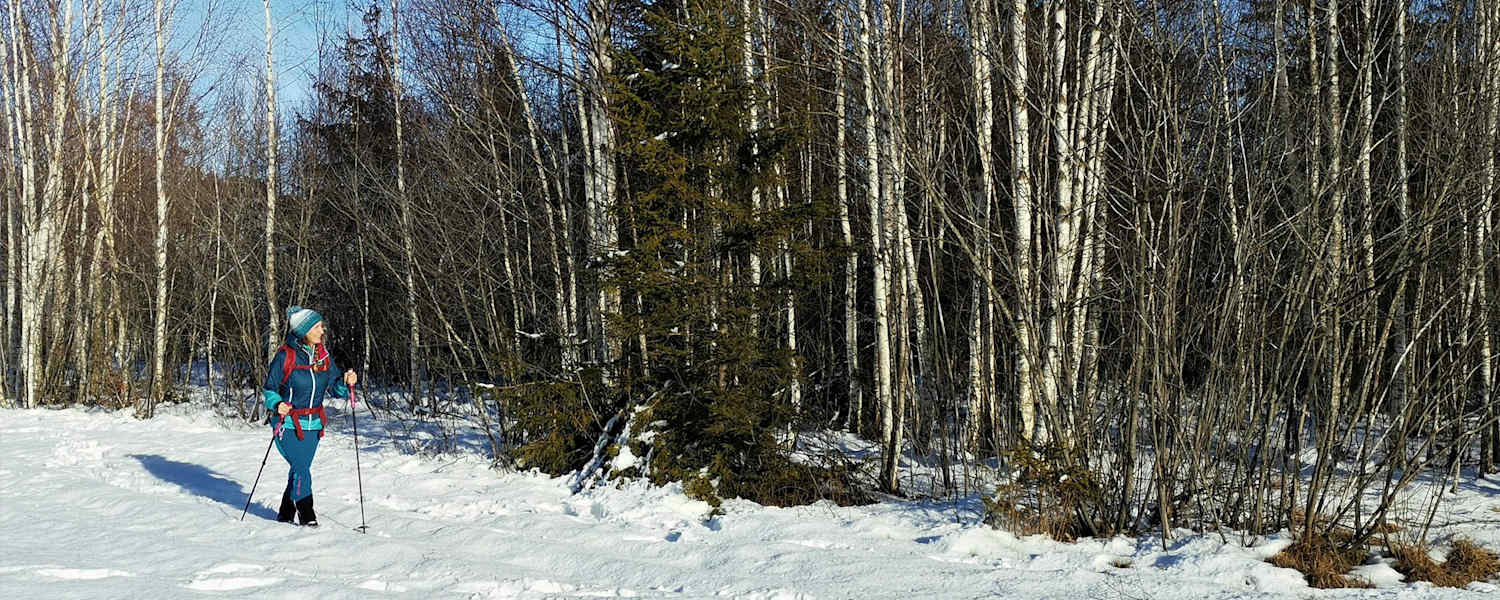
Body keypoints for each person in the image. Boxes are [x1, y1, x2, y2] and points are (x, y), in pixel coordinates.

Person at [263, 305, 358, 527]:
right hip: (287, 423)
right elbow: (269, 388)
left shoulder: (323, 356)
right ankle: (308, 516)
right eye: (317, 327)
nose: (322, 331)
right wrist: (277, 404)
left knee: (300, 467)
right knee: (302, 468)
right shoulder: (286, 356)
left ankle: (285, 512)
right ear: (304, 330)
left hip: (314, 424)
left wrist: (346, 381)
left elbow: (336, 388)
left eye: (321, 326)